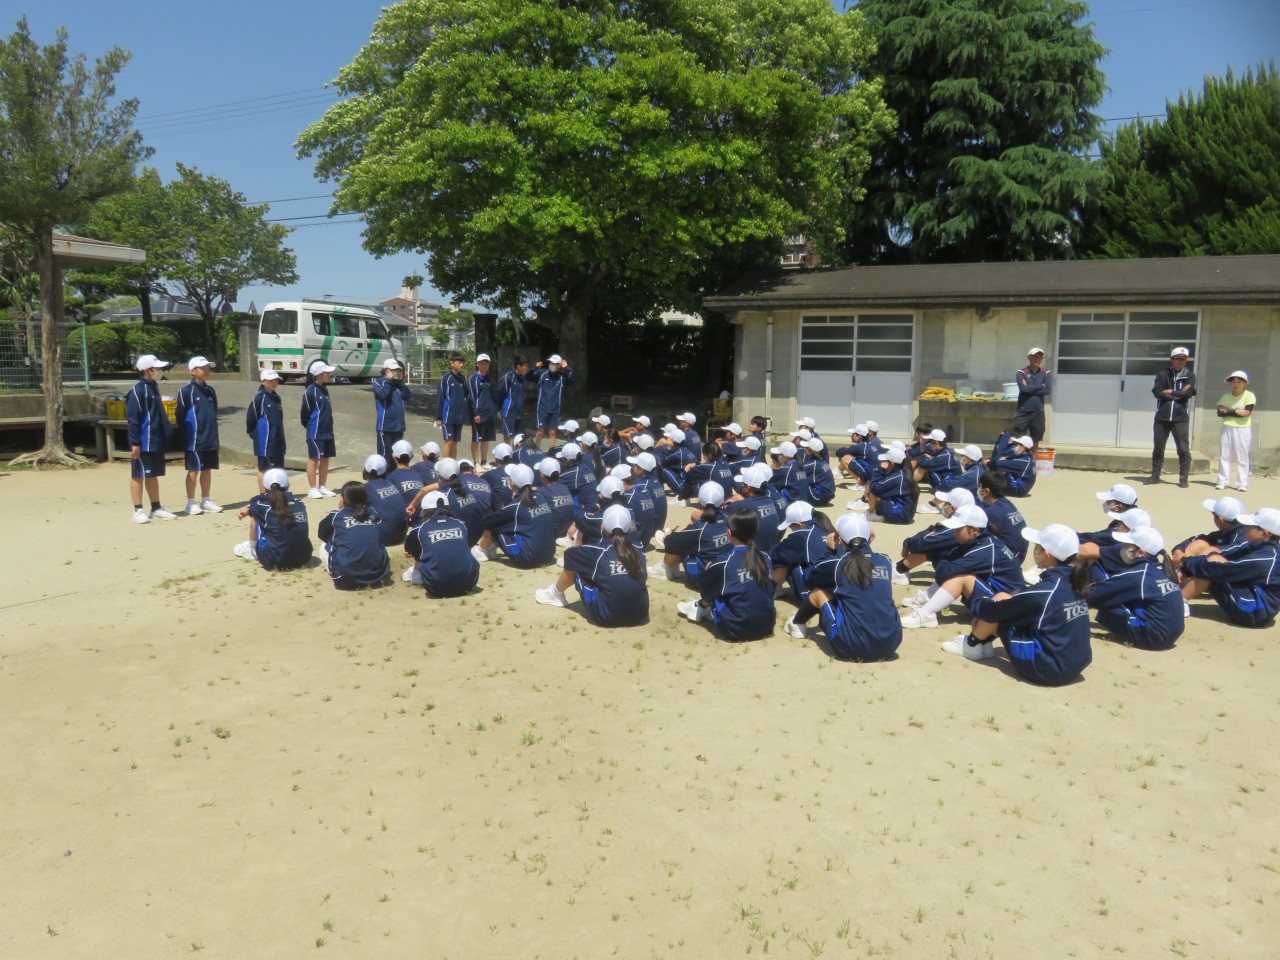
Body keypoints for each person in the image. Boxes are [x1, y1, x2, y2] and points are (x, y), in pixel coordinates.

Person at [944, 524, 1093, 687]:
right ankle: (983, 643)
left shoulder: (1047, 591)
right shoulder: (1076, 581)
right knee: (1005, 598)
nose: (1035, 549)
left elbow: (993, 611)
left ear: (1048, 554)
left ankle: (972, 644)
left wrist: (981, 602)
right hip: (1076, 664)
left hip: (1047, 670)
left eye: (1038, 546)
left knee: (1000, 605)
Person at [786, 513, 902, 661]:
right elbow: (865, 568)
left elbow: (810, 579)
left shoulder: (837, 564)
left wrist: (830, 551)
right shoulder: (885, 560)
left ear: (839, 540)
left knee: (818, 593)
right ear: (870, 537)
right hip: (891, 644)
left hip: (850, 647)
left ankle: (797, 623)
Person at [899, 504, 1025, 630]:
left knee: (961, 577)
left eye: (959, 529)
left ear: (975, 530)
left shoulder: (985, 550)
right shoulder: (982, 541)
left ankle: (926, 615)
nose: (955, 533)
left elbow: (944, 573)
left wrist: (937, 557)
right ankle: (928, 599)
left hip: (1008, 609)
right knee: (956, 569)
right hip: (1003, 600)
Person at [536, 504, 650, 626]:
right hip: (640, 614)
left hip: (606, 616)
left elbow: (570, 556)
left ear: (602, 527)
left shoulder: (597, 552)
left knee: (579, 565)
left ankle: (555, 593)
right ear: (629, 528)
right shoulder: (639, 548)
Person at [676, 507, 777, 642]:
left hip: (735, 630)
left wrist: (709, 569)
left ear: (729, 532)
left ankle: (699, 606)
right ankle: (700, 606)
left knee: (716, 583)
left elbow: (704, 585)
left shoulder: (725, 561)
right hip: (767, 626)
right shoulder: (765, 557)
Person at [1086, 526, 1185, 650]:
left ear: (1141, 552)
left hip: (1153, 637)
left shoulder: (1141, 575)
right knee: (1115, 590)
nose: (1122, 547)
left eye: (1127, 544)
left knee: (1104, 592)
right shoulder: (1163, 569)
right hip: (1170, 635)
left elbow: (1095, 595)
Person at [1180, 508, 1280, 627]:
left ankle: (1178, 602)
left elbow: (1218, 570)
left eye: (1250, 525)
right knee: (1214, 561)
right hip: (1254, 600)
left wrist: (1184, 563)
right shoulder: (1262, 548)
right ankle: (1180, 591)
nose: (1245, 527)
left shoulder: (1265, 559)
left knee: (1214, 565)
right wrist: (1187, 567)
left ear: (1264, 533)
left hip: (1254, 611)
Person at [472, 463, 556, 567]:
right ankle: (491, 549)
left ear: (512, 483)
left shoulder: (516, 506)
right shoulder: (541, 497)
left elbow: (487, 521)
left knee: (494, 524)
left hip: (527, 558)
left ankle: (480, 551)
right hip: (549, 554)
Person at [126, 354, 176, 524]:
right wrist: (135, 443)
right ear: (148, 370)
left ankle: (156, 508)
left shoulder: (153, 387)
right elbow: (133, 419)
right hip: (143, 440)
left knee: (152, 474)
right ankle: (137, 510)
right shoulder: (137, 390)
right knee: (138, 474)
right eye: (157, 368)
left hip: (155, 439)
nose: (160, 371)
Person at [652, 481, 733, 587]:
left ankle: (664, 567)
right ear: (722, 500)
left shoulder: (701, 528)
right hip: (728, 571)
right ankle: (670, 566)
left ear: (699, 500)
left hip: (705, 579)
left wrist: (673, 533)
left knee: (684, 541)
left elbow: (670, 543)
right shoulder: (729, 517)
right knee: (691, 536)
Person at [233, 468, 312, 570]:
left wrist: (249, 510)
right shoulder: (300, 503)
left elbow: (255, 503)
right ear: (288, 486)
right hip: (304, 557)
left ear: (264, 487)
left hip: (274, 560)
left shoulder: (261, 505)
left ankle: (252, 548)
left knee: (256, 516)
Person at [318, 481, 391, 590]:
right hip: (377, 576)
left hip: (345, 580)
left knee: (324, 546)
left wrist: (336, 517)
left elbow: (322, 535)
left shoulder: (336, 516)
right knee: (374, 541)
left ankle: (340, 570)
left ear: (343, 499)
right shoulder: (373, 513)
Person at [406, 491, 480, 597]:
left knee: (423, 549)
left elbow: (410, 551)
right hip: (469, 584)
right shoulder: (461, 525)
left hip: (437, 587)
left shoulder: (419, 530)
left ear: (424, 511)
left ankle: (416, 574)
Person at [176, 355, 222, 516]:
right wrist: (187, 435)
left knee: (207, 469)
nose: (207, 370)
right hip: (194, 439)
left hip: (210, 437)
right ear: (193, 371)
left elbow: (213, 411)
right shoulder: (186, 392)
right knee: (193, 470)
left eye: (208, 367)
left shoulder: (210, 391)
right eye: (203, 368)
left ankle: (206, 499)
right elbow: (180, 416)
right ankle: (190, 502)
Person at [1146, 346, 1197, 487]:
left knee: (1183, 449)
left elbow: (1189, 394)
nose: (1181, 361)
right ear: (1172, 360)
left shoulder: (1190, 375)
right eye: (1178, 359)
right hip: (1162, 417)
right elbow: (1157, 392)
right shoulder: (1162, 375)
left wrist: (1171, 391)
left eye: (1184, 359)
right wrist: (1177, 394)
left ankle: (1183, 478)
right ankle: (1155, 475)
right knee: (1158, 447)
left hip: (1180, 418)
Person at [770, 500, 836, 602]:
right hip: (837, 587)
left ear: (798, 524)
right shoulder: (826, 527)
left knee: (788, 561)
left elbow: (775, 556)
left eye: (791, 526)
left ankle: (767, 591)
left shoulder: (802, 535)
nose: (791, 530)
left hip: (819, 594)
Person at [1172, 496, 1248, 568]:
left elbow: (1229, 551)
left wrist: (1185, 561)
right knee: (1200, 544)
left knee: (1211, 552)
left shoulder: (1243, 535)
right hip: (1221, 570)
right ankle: (1178, 572)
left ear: (1221, 520)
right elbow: (1198, 538)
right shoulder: (1226, 531)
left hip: (1233, 573)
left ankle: (1180, 573)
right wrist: (1179, 551)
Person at [849, 448, 917, 525]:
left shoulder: (897, 477)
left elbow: (874, 488)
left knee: (873, 490)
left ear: (892, 463)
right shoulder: (903, 473)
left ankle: (872, 514)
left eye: (885, 461)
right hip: (906, 514)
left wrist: (881, 470)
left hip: (900, 514)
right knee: (877, 489)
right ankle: (877, 513)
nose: (882, 462)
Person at [301, 360, 337, 499]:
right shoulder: (310, 391)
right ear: (320, 374)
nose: (329, 374)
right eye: (327, 372)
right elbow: (305, 413)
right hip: (315, 431)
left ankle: (322, 486)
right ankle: (312, 488)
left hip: (327, 431)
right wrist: (310, 426)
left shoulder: (324, 389)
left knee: (325, 459)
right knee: (314, 459)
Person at [246, 369, 286, 492]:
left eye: (276, 380)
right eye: (271, 380)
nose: (274, 382)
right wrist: (256, 435)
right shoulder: (259, 398)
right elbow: (251, 419)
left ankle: (277, 494)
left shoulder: (277, 398)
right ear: (263, 382)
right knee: (264, 469)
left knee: (278, 468)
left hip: (277, 439)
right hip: (265, 441)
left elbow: (279, 419)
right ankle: (263, 494)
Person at [1215, 370, 1254, 492]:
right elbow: (1220, 412)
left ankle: (1242, 483)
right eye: (1233, 382)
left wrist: (1229, 411)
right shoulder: (1225, 397)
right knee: (1224, 455)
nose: (1236, 384)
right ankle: (1222, 481)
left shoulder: (1249, 396)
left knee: (1242, 456)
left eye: (1239, 382)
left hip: (1242, 429)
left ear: (1244, 383)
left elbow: (1246, 413)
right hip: (1227, 427)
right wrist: (1236, 411)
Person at [977, 470, 1028, 564]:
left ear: (986, 491)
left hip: (1011, 558)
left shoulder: (991, 512)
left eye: (979, 487)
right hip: (1020, 554)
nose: (978, 490)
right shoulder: (1006, 503)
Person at [529, 354, 575, 449]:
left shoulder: (561, 378)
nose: (552, 365)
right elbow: (529, 376)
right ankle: (537, 450)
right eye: (551, 362)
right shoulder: (542, 374)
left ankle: (551, 451)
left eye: (555, 363)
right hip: (542, 408)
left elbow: (572, 379)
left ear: (559, 365)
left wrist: (567, 368)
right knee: (540, 431)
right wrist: (535, 367)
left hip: (555, 409)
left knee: (553, 431)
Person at [363, 454, 409, 546]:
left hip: (384, 536)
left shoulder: (366, 488)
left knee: (358, 511)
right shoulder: (391, 483)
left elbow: (343, 506)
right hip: (402, 533)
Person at [372, 358, 411, 463]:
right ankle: (383, 478)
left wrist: (401, 382)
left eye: (397, 370)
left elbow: (407, 396)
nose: (396, 372)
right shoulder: (379, 382)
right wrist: (389, 381)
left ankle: (394, 477)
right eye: (393, 370)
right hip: (385, 426)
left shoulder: (397, 383)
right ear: (386, 370)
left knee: (396, 455)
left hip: (398, 426)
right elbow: (383, 394)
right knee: (385, 455)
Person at [1012, 348, 1052, 447]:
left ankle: (1032, 461)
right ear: (1029, 357)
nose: (1037, 359)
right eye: (1034, 357)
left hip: (1038, 411)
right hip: (1023, 411)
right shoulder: (1021, 372)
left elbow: (1047, 390)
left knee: (1035, 441)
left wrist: (1029, 388)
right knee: (1016, 438)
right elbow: (1023, 389)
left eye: (1039, 357)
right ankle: (1017, 460)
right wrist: (1040, 386)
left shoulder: (1046, 373)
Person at [435, 352, 470, 459]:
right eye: (459, 362)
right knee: (449, 441)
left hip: (459, 417)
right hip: (448, 416)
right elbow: (440, 398)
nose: (461, 365)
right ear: (452, 363)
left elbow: (467, 394)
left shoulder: (462, 378)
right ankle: (445, 464)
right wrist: (439, 417)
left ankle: (453, 463)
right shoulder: (446, 378)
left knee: (455, 442)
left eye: (463, 363)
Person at [468, 352, 497, 467]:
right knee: (476, 438)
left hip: (489, 413)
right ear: (477, 364)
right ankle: (476, 462)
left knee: (486, 438)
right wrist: (476, 413)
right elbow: (472, 397)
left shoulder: (489, 379)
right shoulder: (473, 379)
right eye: (481, 363)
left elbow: (492, 395)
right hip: (478, 414)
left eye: (486, 363)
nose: (484, 365)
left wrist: (495, 409)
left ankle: (484, 461)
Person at [535, 458, 576, 538]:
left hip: (551, 535)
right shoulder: (565, 488)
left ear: (541, 476)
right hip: (565, 531)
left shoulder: (540, 493)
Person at [496, 354, 531, 442]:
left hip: (519, 413)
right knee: (508, 437)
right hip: (509, 413)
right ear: (519, 366)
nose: (527, 368)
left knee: (520, 438)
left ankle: (517, 455)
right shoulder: (508, 377)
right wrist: (499, 409)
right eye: (525, 366)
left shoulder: (522, 379)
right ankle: (508, 455)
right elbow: (500, 394)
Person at [388, 440, 425, 510]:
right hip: (420, 516)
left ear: (393, 456)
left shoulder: (391, 477)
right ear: (412, 456)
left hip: (404, 516)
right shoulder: (419, 475)